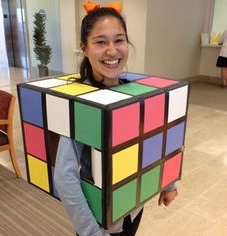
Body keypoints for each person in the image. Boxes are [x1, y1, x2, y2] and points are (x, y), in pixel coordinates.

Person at [54, 1, 178, 236]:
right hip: (101, 223)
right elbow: (64, 177)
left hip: (133, 208)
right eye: (100, 42)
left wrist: (168, 182)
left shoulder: (135, 91)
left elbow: (157, 137)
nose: (112, 50)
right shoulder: (80, 104)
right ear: (84, 47)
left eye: (118, 40)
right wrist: (92, 232)